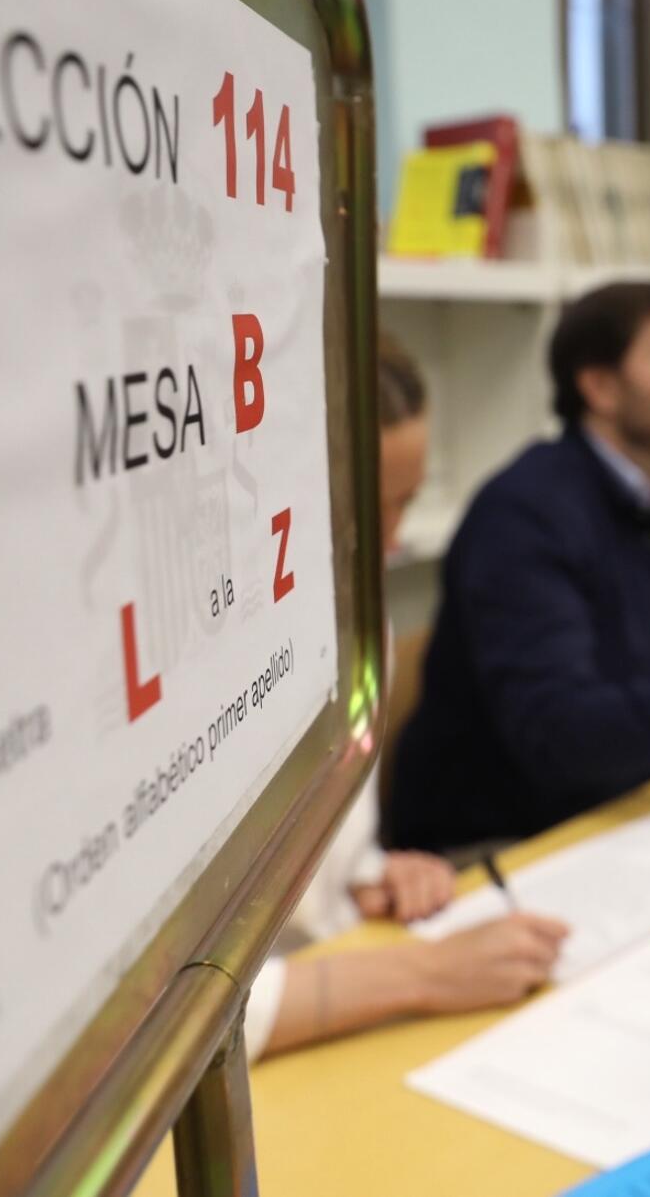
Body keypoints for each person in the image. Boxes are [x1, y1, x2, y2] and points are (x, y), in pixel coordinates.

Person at [243, 334, 568, 1061]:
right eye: (364, 505)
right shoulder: (206, 674)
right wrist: (424, 972)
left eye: (406, 504)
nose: (390, 540)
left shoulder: (356, 612)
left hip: (336, 987)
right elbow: (172, 1010)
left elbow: (327, 840)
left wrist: (363, 875)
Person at [386, 282, 650, 853]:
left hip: (637, 803)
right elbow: (560, 734)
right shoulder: (522, 515)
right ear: (599, 386)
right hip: (502, 840)